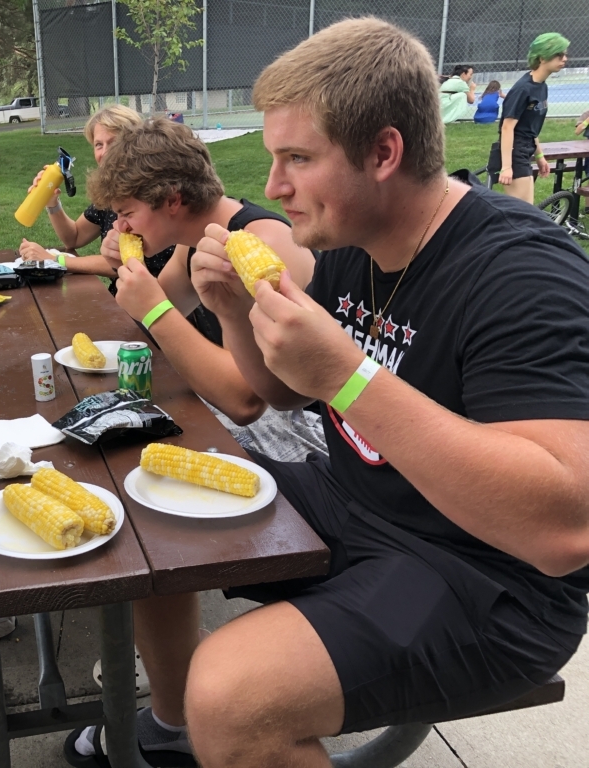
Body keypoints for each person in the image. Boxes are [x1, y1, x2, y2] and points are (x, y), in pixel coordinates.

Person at [80, 19, 589, 768]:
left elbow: (562, 527)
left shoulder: (522, 274)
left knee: (231, 693)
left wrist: (350, 376)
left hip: (484, 576)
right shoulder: (354, 248)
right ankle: (168, 728)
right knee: (146, 509)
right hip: (355, 502)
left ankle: (217, 729)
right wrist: (231, 313)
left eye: (296, 159)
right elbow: (282, 398)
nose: (274, 186)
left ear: (384, 152)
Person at [89, 118, 326, 462]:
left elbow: (247, 402)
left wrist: (155, 310)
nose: (119, 227)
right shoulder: (194, 243)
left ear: (172, 200)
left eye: (126, 213)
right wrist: (128, 272)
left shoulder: (266, 242)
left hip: (301, 430)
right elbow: (143, 323)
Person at [19, 105, 176, 291]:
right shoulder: (113, 193)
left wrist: (56, 260)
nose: (105, 153)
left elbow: (124, 262)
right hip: (124, 297)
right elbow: (74, 238)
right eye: (98, 145)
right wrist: (52, 202)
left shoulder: (153, 193)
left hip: (161, 299)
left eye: (114, 142)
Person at [490, 32, 569, 204]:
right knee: (523, 214)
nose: (564, 59)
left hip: (527, 148)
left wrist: (539, 156)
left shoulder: (542, 87)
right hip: (515, 151)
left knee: (525, 212)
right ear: (541, 58)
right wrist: (507, 167)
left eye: (564, 54)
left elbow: (531, 127)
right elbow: (506, 128)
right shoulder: (523, 89)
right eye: (559, 55)